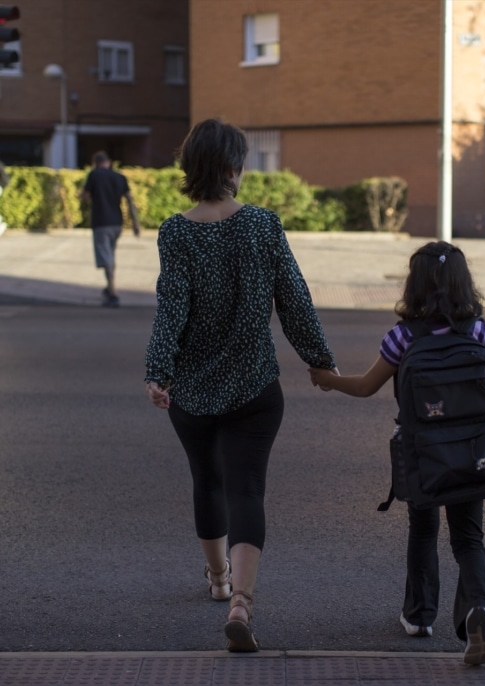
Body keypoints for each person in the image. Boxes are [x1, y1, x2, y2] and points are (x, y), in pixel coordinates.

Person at [144, 118, 337, 652]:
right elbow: (294, 298)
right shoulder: (262, 225)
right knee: (247, 488)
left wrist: (158, 373)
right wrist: (320, 362)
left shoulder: (175, 231)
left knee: (207, 483)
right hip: (255, 388)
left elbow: (171, 309)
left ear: (190, 169)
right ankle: (241, 602)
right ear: (234, 168)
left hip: (194, 393)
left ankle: (217, 580)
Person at [309, 241, 485, 666]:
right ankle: (479, 610)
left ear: (415, 284)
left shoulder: (402, 337)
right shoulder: (478, 331)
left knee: (423, 530)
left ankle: (419, 616)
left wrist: (330, 378)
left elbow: (367, 386)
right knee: (469, 538)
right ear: (463, 282)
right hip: (474, 451)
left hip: (423, 455)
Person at [81, 150, 141, 307]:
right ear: (109, 162)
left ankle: (113, 293)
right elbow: (130, 200)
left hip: (101, 222)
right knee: (111, 255)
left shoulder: (94, 175)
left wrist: (82, 197)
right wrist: (135, 223)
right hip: (117, 223)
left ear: (96, 163)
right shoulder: (120, 177)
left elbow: (85, 197)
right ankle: (109, 287)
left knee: (106, 257)